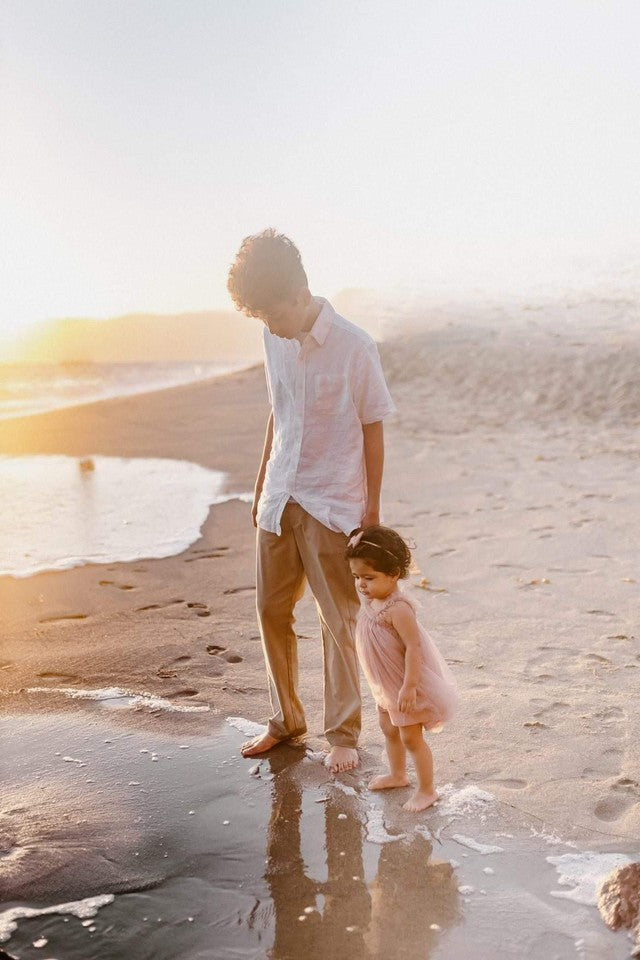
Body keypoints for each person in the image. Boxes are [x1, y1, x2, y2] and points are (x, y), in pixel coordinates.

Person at [227, 229, 396, 773]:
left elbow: (373, 426)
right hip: (281, 495)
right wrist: (260, 486)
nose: (268, 326)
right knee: (271, 610)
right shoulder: (273, 338)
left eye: (271, 313)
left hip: (332, 502)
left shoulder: (355, 345)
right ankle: (286, 720)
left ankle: (343, 732)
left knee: (339, 621)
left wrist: (370, 513)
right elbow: (279, 412)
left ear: (299, 294)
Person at [345, 525, 458, 810]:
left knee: (411, 736)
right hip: (384, 684)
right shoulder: (373, 599)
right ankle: (397, 774)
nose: (361, 584)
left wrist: (409, 686)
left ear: (394, 574)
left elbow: (413, 648)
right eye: (357, 577)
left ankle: (428, 790)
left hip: (404, 683)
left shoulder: (399, 609)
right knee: (389, 728)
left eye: (369, 577)